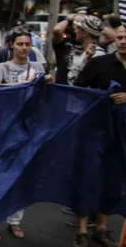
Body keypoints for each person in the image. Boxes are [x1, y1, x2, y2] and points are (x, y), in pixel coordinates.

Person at [0, 31, 54, 242]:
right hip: (4, 129)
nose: (24, 48)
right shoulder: (2, 67)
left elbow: (48, 98)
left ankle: (15, 221)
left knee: (21, 176)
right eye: (20, 44)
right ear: (11, 45)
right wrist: (25, 84)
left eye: (27, 44)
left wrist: (48, 82)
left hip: (29, 128)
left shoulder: (39, 68)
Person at [70, 25, 126, 247]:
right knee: (88, 178)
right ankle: (82, 231)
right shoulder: (98, 63)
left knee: (113, 180)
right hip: (95, 132)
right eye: (119, 37)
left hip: (122, 136)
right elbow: (77, 91)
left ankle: (102, 229)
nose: (122, 41)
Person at [53, 14, 106, 86]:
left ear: (85, 33)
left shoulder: (98, 55)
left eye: (78, 28)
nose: (75, 30)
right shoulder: (85, 53)